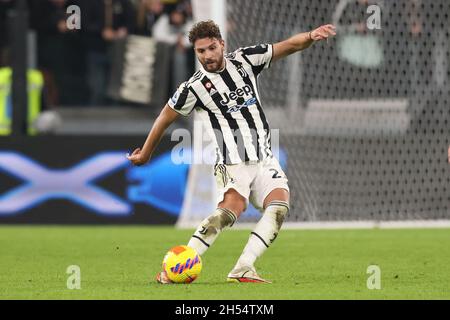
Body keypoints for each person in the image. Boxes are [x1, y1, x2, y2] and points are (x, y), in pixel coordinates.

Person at [127, 20, 336, 283]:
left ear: (222, 44)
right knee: (231, 209)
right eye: (201, 51)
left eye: (211, 48)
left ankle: (243, 268)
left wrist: (310, 35)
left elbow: (288, 46)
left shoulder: (246, 60)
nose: (207, 56)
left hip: (263, 157)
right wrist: (146, 153)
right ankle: (176, 268)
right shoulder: (193, 88)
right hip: (232, 161)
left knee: (279, 207)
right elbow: (164, 117)